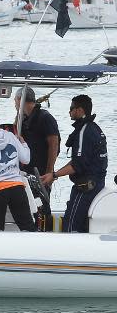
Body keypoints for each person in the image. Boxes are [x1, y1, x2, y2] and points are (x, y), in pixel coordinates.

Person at [41, 95, 108, 233]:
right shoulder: (93, 128)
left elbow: (78, 165)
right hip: (95, 183)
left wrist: (53, 175)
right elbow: (79, 159)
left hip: (87, 186)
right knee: (81, 225)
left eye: (71, 108)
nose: (69, 111)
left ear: (80, 110)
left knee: (70, 225)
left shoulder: (84, 132)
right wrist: (54, 174)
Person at [14, 87, 60, 179]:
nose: (14, 104)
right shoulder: (23, 119)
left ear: (20, 100)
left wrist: (49, 172)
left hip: (41, 171)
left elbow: (54, 145)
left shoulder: (45, 118)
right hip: (26, 170)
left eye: (15, 100)